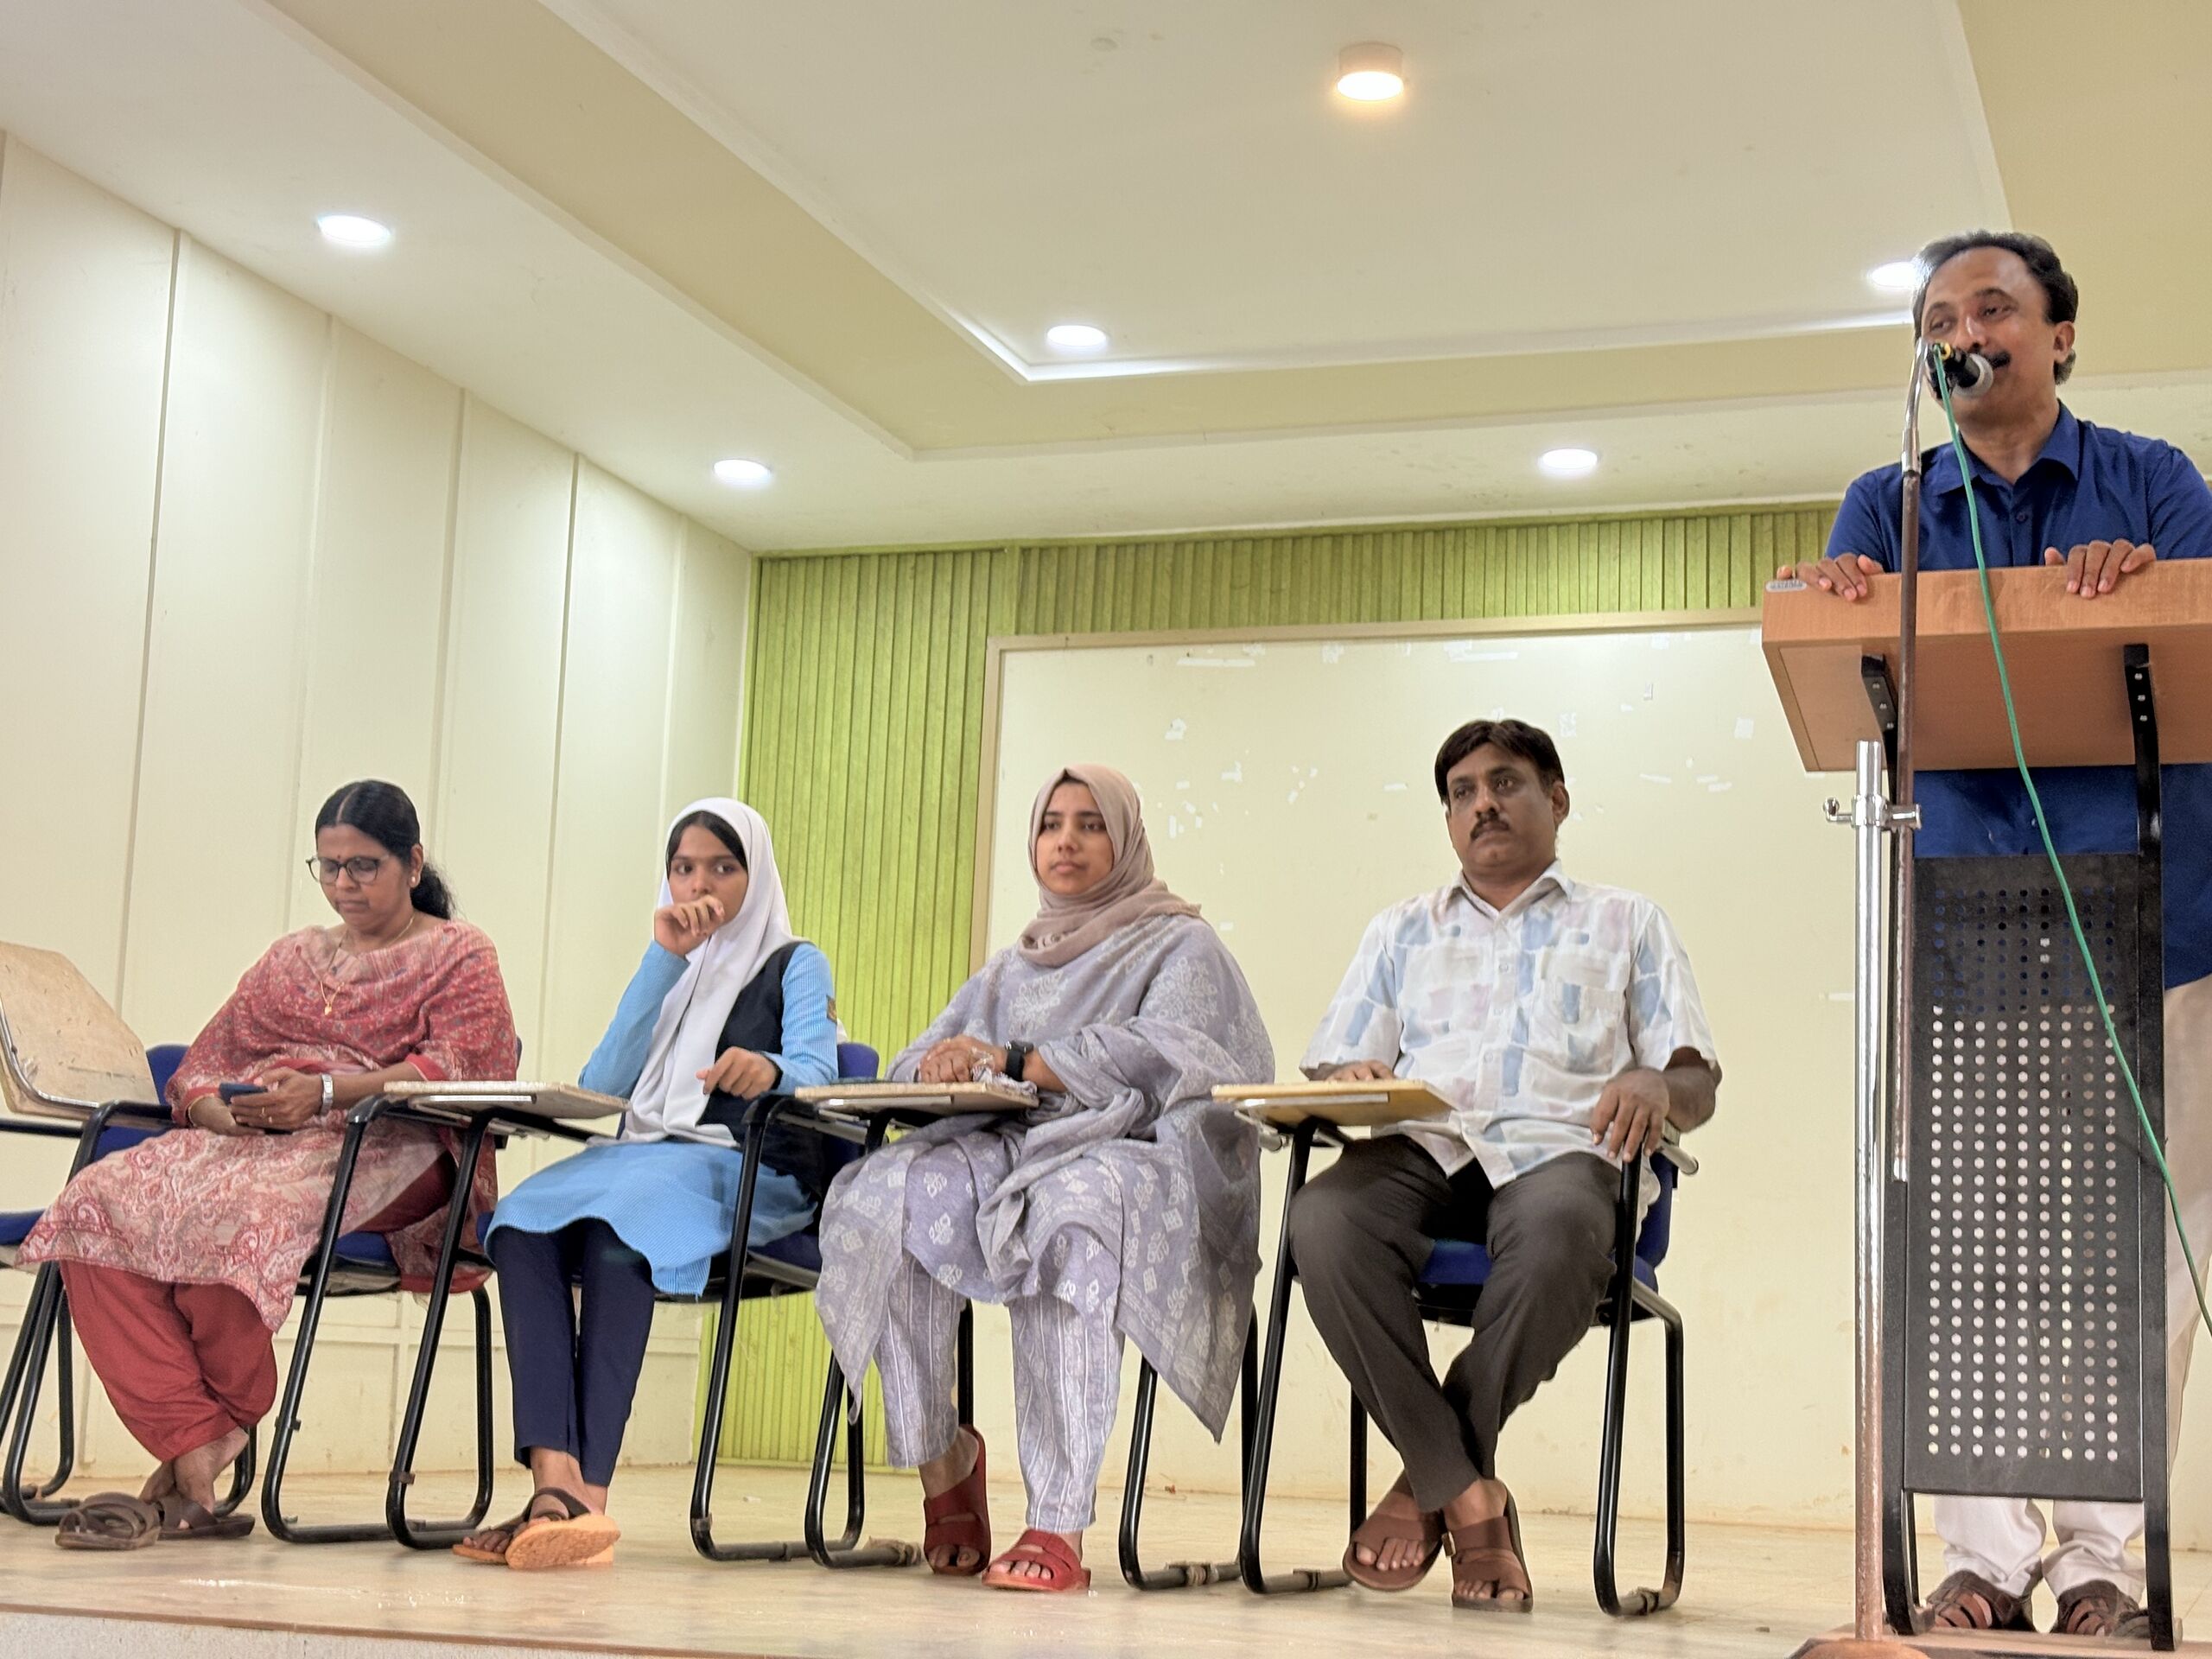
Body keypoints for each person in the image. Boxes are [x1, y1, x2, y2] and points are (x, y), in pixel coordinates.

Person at [1789, 228, 2212, 1639]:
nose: (1962, 333)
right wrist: (1843, 601)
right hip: (1962, 932)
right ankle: (1978, 1558)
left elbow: (2203, 635)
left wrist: (2140, 586)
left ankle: (2103, 1563)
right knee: (1963, 1254)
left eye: (1991, 307)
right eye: (1938, 318)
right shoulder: (1890, 497)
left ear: (2060, 336)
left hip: (2157, 930)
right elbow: (1849, 655)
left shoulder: (2156, 481)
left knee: (2138, 1263)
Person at [1289, 718, 1719, 1611]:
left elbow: (1696, 1079)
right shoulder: (1400, 929)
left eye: (1505, 783)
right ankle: (1469, 1491)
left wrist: (1656, 1081)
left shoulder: (1627, 921)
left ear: (1556, 800)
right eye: (1463, 793)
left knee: (1562, 1229)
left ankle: (1431, 1481)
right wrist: (1347, 1079)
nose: (1482, 804)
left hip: (1562, 1154)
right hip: (1425, 1148)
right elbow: (1337, 1060)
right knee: (1321, 1219)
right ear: (1449, 819)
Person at [20, 780, 517, 1549]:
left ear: (413, 864)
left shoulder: (460, 953)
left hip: (389, 1140)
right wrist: (212, 1108)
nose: (344, 884)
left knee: (243, 1216)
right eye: (329, 867)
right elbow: (206, 1058)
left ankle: (204, 1446)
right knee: (92, 1204)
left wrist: (329, 1093)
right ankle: (199, 1442)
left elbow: (461, 1067)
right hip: (256, 1136)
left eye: (364, 866)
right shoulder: (293, 957)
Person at [814, 764, 1271, 1593]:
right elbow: (926, 1052)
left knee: (1069, 1215)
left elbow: (1180, 1057)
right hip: (1015, 1144)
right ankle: (944, 1459)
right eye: (1052, 824)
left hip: (1134, 1151)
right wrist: (942, 1064)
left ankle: (1057, 1519)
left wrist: (1026, 1060)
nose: (1067, 841)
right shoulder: (1016, 963)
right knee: (887, 1195)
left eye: (1091, 824)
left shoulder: (1181, 945)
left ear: (1126, 839)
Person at [454, 799, 836, 1571]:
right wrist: (662, 960)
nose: (701, 885)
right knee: (518, 1224)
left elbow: (818, 1072)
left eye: (722, 868)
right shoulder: (669, 961)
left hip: (742, 1163)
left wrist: (769, 1069)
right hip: (640, 1160)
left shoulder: (795, 961)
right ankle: (555, 1486)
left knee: (619, 1229)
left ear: (755, 876)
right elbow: (604, 1082)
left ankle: (586, 1500)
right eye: (684, 868)